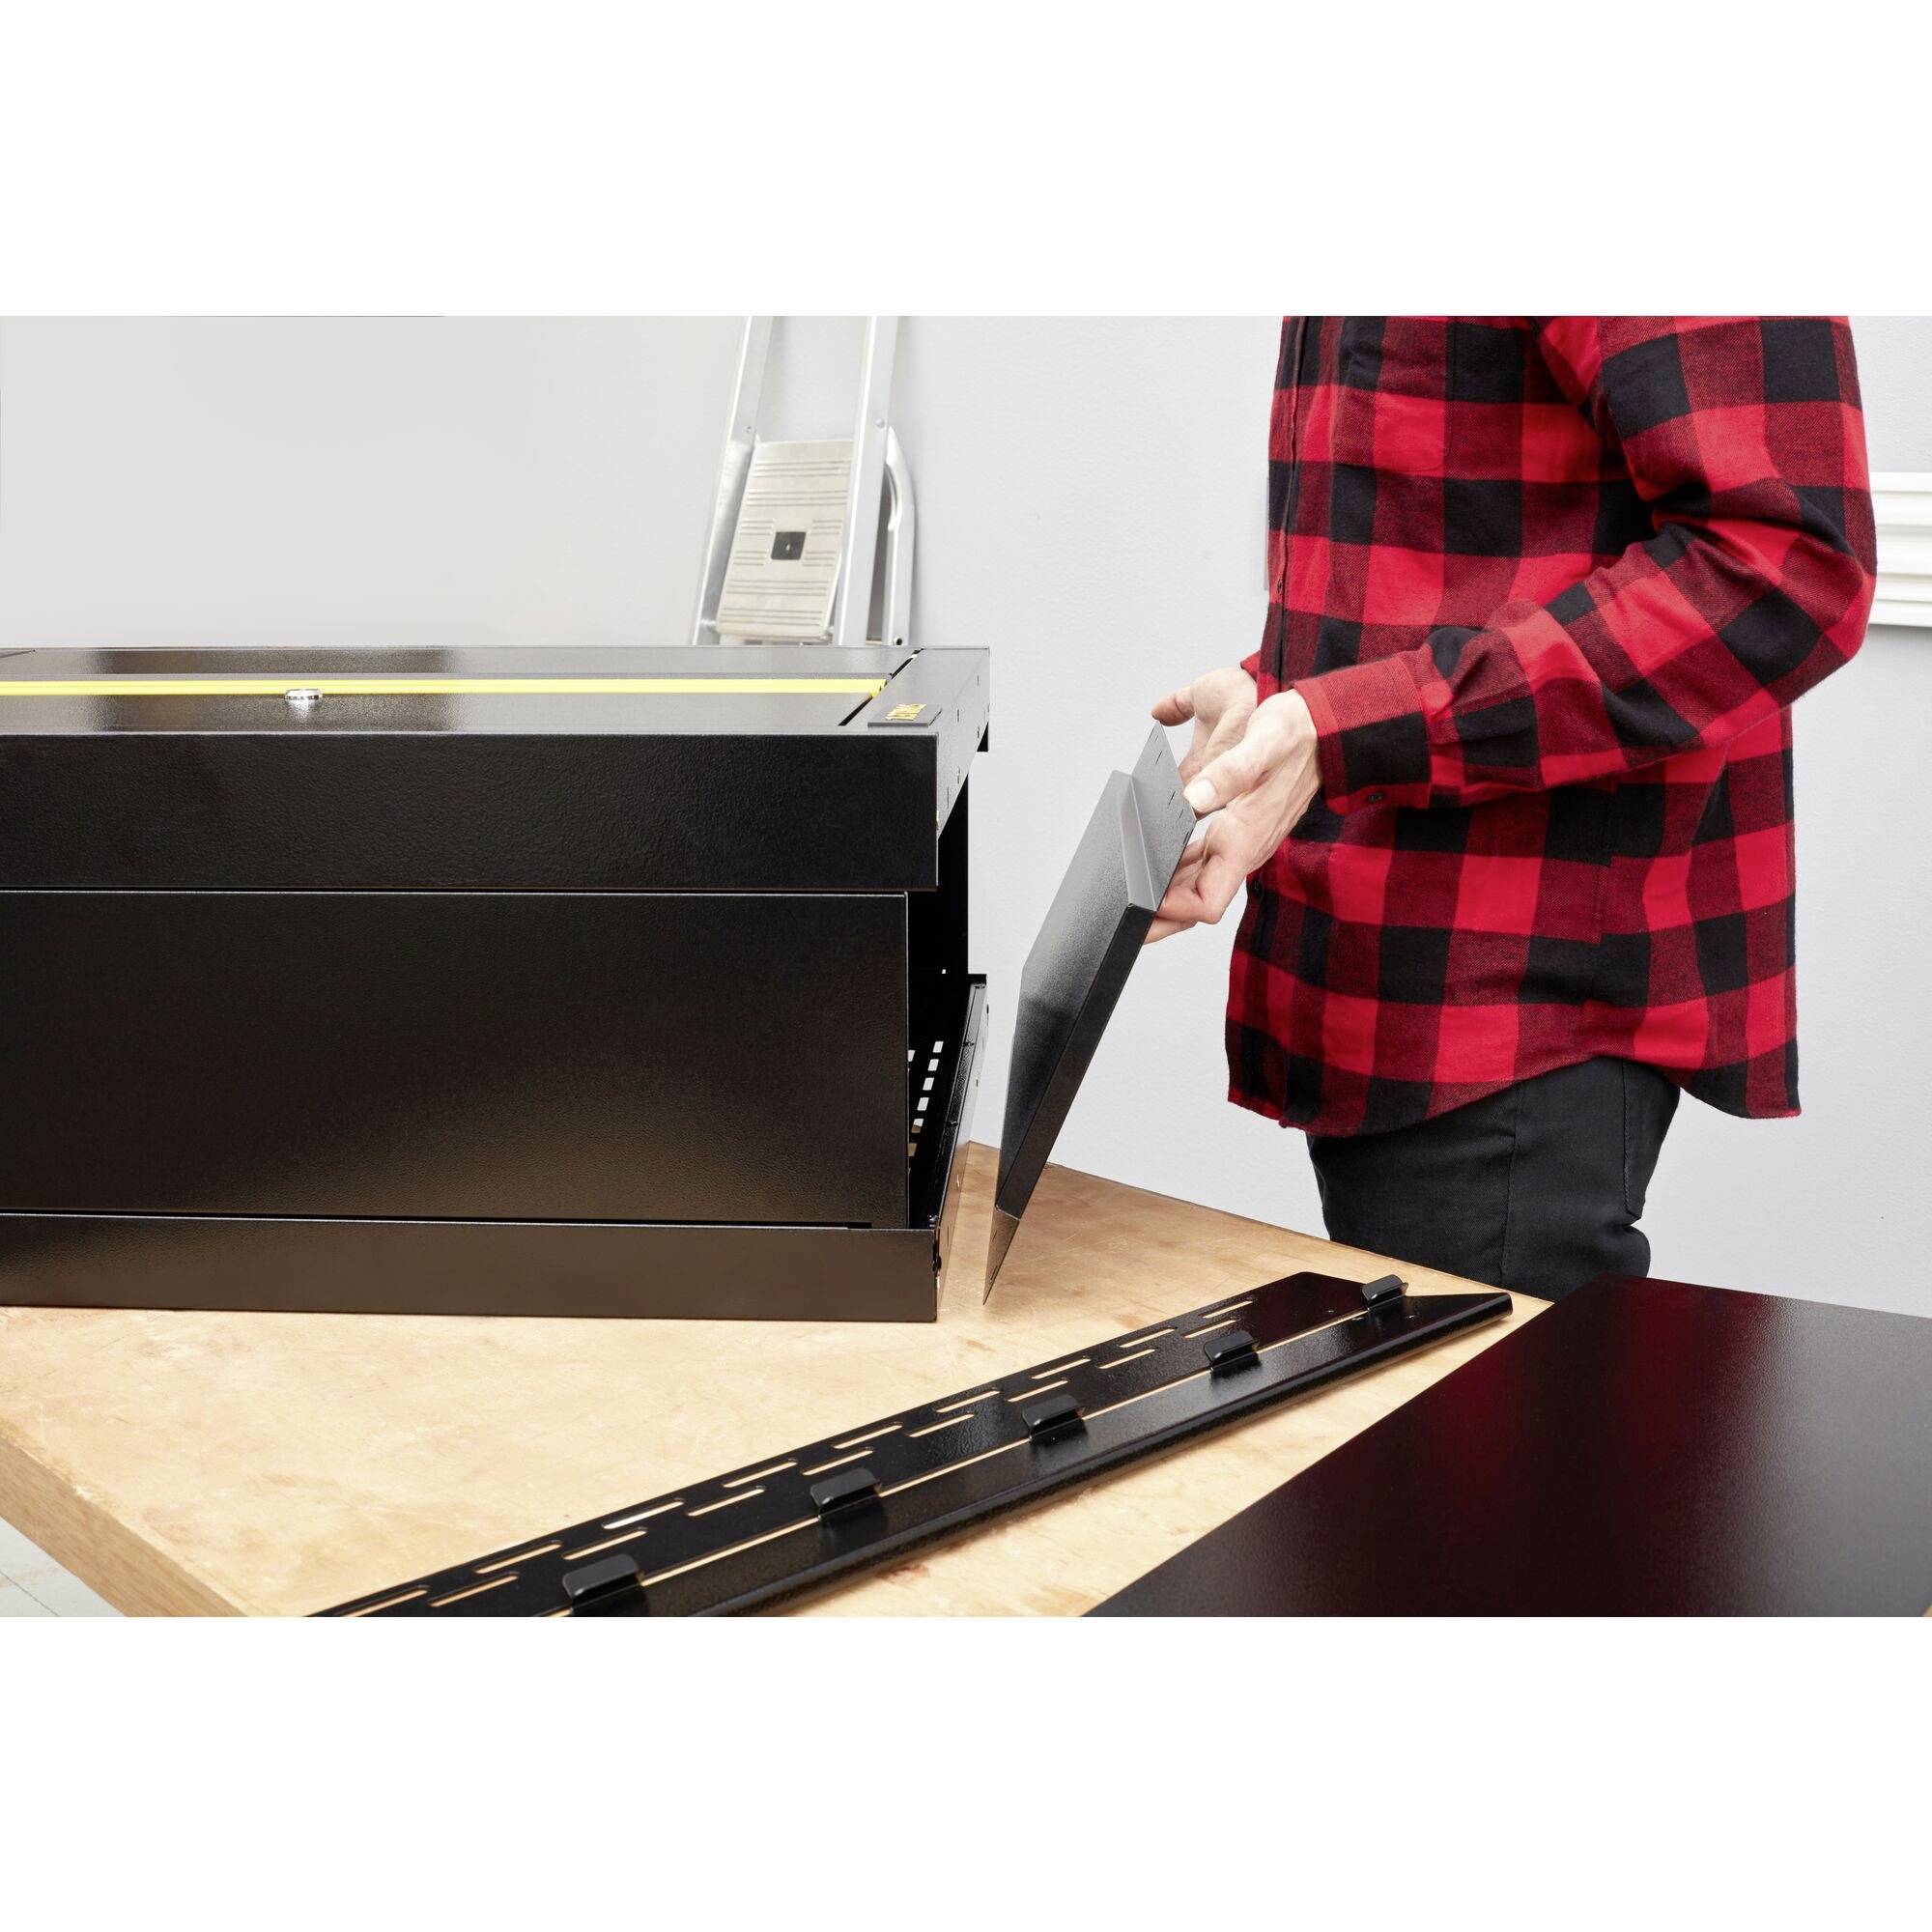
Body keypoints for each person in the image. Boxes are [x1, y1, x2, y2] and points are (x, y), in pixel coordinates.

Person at [1151, 317, 1875, 1296]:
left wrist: (1344, 726)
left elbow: (1784, 564)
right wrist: (1278, 709)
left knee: (1485, 1442)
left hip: (1516, 1000)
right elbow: (1430, 556)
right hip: (1381, 965)